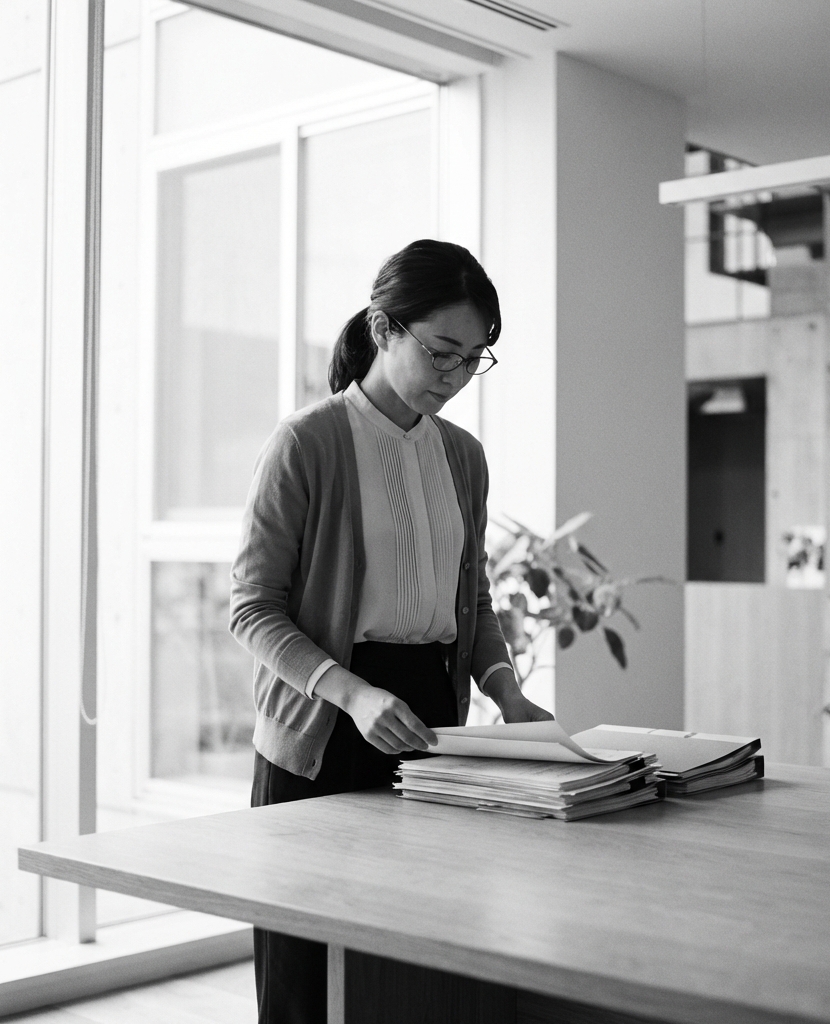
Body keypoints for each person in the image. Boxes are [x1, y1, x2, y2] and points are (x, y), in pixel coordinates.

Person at [229, 238, 553, 1024]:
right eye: (442, 351)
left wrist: (507, 693)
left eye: (476, 358)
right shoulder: (307, 442)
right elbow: (252, 607)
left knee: (417, 957)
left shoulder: (464, 457)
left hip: (428, 719)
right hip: (326, 719)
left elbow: (468, 594)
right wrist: (353, 694)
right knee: (306, 980)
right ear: (383, 328)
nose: (456, 375)